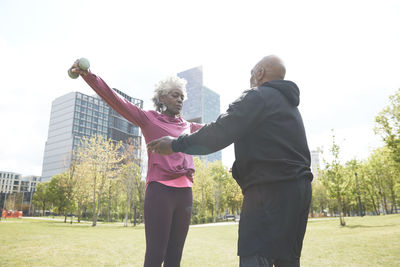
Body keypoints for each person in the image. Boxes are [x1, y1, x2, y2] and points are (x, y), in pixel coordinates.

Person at [147, 55, 313, 267]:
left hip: (269, 191)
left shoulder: (258, 96)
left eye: (252, 72)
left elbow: (220, 131)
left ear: (260, 73)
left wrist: (174, 145)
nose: (251, 77)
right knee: (287, 260)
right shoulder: (290, 107)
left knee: (255, 255)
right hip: (298, 193)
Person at [70, 62, 203, 267]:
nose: (179, 100)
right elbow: (116, 100)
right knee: (155, 255)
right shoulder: (148, 119)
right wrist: (89, 76)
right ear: (162, 98)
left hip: (185, 192)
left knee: (175, 256)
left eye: (182, 97)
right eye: (175, 95)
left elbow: (220, 128)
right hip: (160, 191)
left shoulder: (189, 127)